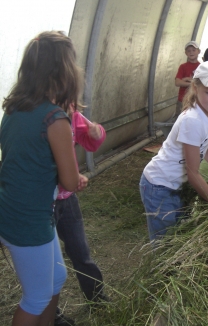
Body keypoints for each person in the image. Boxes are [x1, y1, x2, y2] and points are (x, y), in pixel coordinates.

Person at [0, 31, 82, 326]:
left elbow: (26, 161)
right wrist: (75, 174)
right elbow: (70, 183)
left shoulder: (13, 108)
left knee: (56, 278)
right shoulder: (54, 119)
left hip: (11, 209)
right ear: (63, 71)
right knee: (35, 296)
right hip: (28, 219)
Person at [140, 60, 208, 242]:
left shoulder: (207, 114)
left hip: (175, 185)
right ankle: (161, 269)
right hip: (159, 185)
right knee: (165, 243)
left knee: (177, 235)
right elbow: (193, 174)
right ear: (195, 87)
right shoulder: (192, 120)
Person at [53, 104, 107, 324]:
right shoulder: (43, 118)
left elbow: (90, 140)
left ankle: (97, 297)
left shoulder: (72, 113)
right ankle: (52, 315)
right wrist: (69, 179)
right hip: (45, 201)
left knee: (80, 251)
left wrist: (97, 133)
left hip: (67, 197)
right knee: (50, 261)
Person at [173, 41, 201, 119]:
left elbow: (202, 83)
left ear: (199, 51)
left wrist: (186, 80)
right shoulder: (183, 66)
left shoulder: (201, 67)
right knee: (179, 120)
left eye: (193, 50)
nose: (191, 52)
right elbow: (177, 82)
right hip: (182, 100)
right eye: (188, 51)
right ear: (185, 53)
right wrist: (193, 82)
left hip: (196, 100)